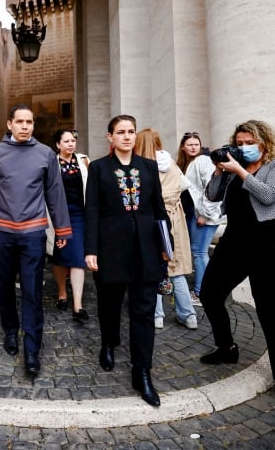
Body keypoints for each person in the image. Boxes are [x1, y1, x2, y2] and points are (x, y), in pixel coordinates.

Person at [198, 119, 275, 411]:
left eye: (249, 143)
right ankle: (227, 347)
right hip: (236, 241)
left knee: (270, 313)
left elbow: (268, 195)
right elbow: (212, 196)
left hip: (273, 243)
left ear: (264, 142)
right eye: (240, 143)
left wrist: (240, 171)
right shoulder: (233, 166)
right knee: (210, 294)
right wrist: (219, 170)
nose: (244, 148)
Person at [0, 104, 72, 375]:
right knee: (4, 285)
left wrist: (62, 230)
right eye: (19, 121)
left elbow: (55, 194)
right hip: (1, 231)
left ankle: (32, 348)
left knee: (33, 290)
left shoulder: (45, 154)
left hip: (33, 233)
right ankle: (10, 330)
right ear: (9, 124)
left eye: (29, 122)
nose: (24, 126)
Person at [84, 115, 170, 407]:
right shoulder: (98, 168)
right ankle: (108, 342)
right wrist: (90, 249)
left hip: (146, 249)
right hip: (110, 249)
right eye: (120, 132)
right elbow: (92, 211)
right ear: (110, 137)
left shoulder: (148, 167)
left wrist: (165, 246)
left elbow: (159, 209)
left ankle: (141, 371)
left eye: (131, 131)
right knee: (109, 303)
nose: (127, 136)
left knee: (143, 311)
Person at [135, 128, 197, 330]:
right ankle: (188, 315)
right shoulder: (170, 163)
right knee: (176, 269)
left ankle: (157, 316)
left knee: (153, 268)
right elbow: (185, 186)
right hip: (174, 220)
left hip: (152, 219)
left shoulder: (142, 166)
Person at [177, 131, 223, 306]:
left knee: (200, 253)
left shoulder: (203, 161)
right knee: (198, 252)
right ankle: (201, 290)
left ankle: (201, 293)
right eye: (190, 144)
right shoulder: (188, 163)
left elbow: (212, 188)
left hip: (204, 216)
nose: (194, 147)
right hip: (194, 214)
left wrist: (205, 214)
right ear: (183, 147)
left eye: (196, 144)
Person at [49, 129, 90, 321]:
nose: (71, 144)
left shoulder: (83, 160)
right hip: (58, 216)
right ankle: (62, 293)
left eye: (73, 140)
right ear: (58, 144)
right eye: (66, 141)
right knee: (60, 256)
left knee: (77, 257)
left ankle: (78, 305)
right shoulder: (51, 162)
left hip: (80, 215)